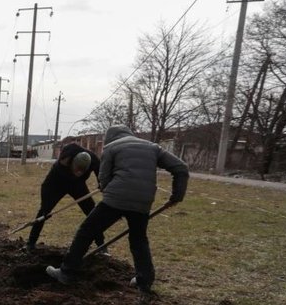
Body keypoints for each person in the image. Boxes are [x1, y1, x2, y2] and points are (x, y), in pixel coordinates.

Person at [46, 125, 189, 294]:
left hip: (116, 198)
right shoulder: (153, 147)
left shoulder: (111, 147)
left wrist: (108, 191)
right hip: (143, 201)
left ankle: (66, 273)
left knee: (87, 231)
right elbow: (181, 168)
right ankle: (144, 281)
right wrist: (177, 196)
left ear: (109, 138)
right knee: (139, 240)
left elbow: (104, 178)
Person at [26, 137, 106, 253]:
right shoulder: (65, 157)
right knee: (44, 212)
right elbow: (47, 186)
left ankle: (101, 246)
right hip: (57, 183)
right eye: (76, 169)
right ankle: (31, 243)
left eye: (81, 171)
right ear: (71, 162)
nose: (78, 173)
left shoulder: (93, 160)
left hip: (77, 186)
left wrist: (101, 184)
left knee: (92, 213)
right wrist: (46, 204)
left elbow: (101, 175)